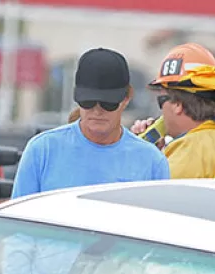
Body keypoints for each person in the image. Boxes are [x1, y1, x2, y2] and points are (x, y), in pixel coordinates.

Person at [11, 47, 170, 199]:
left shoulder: (151, 162)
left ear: (127, 97)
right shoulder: (42, 151)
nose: (97, 110)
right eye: (88, 101)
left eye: (108, 103)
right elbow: (16, 221)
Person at [131, 43, 215, 180]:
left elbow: (148, 195)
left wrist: (138, 155)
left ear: (177, 104)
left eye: (161, 99)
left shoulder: (189, 151)